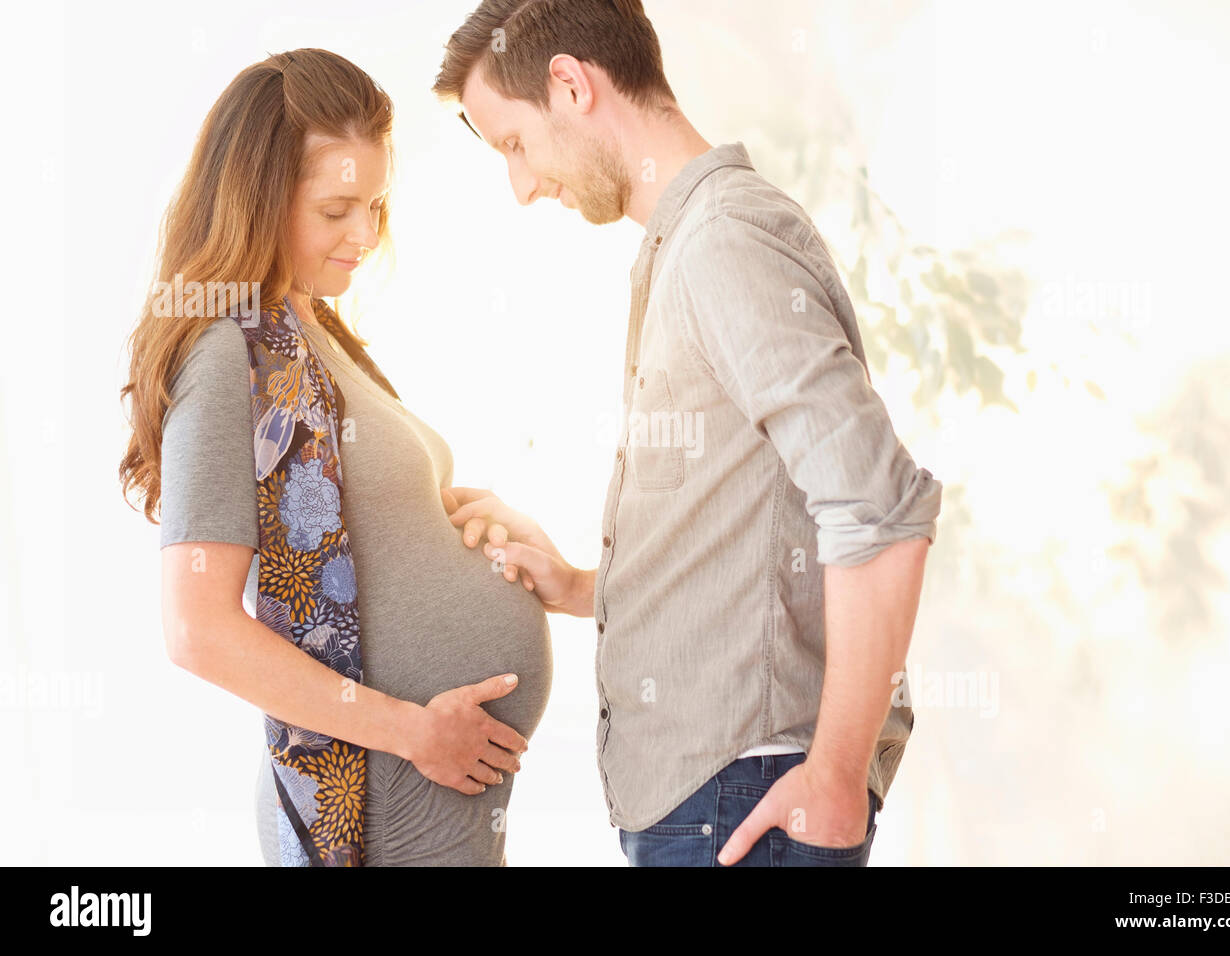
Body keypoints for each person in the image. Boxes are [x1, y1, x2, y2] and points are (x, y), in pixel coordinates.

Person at [432, 0, 943, 866]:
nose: (521, 187)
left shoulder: (722, 243)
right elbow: (752, 550)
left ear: (569, 84)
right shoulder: (686, 246)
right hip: (717, 801)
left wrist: (834, 775)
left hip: (744, 801)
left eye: (514, 144)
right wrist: (582, 585)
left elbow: (881, 510)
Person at [119, 48, 551, 866]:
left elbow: (352, 529)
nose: (365, 234)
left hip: (423, 814)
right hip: (378, 805)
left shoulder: (312, 331)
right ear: (259, 200)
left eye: (376, 205)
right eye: (336, 209)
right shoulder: (225, 352)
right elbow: (196, 628)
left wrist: (451, 515)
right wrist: (417, 732)